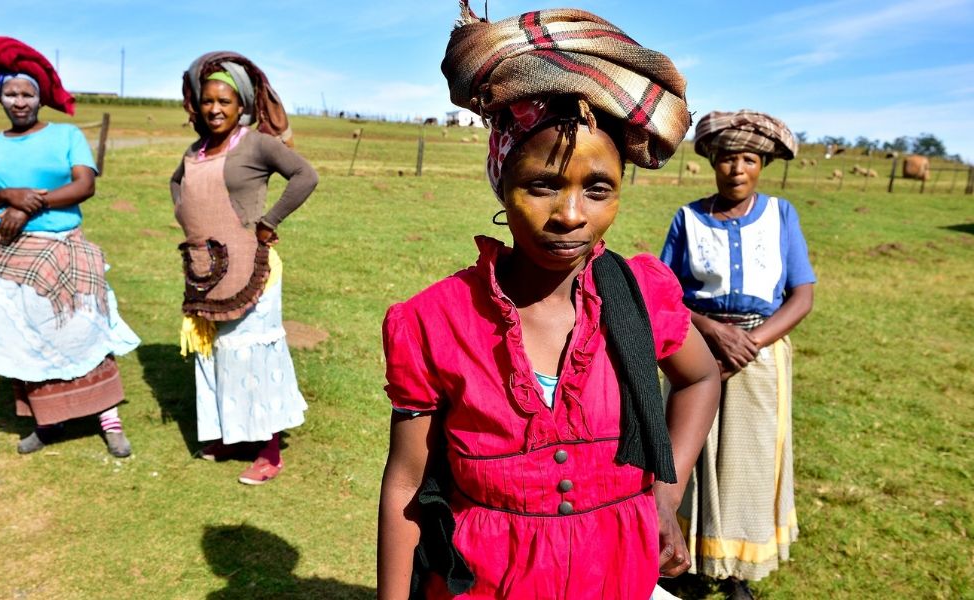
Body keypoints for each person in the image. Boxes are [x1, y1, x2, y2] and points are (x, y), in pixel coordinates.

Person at [377, 6, 722, 599]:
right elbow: (406, 483)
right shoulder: (433, 321)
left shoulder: (641, 294)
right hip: (484, 580)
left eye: (597, 189)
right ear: (501, 181)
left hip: (616, 572)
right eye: (541, 185)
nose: (570, 215)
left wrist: (667, 492)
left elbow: (700, 377)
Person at [658, 110, 816, 599]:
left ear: (763, 164)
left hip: (760, 354)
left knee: (749, 459)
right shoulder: (689, 218)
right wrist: (711, 332)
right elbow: (667, 292)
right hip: (695, 349)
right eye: (727, 158)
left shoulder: (781, 215)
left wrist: (750, 343)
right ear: (712, 162)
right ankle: (687, 561)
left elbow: (802, 294)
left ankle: (736, 573)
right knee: (691, 453)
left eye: (748, 158)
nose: (737, 169)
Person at [0, 37, 140, 457]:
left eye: (27, 93)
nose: (19, 102)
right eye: (11, 93)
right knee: (23, 337)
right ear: (0, 96)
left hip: (62, 244)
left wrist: (30, 204)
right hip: (8, 253)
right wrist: (8, 196)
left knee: (83, 329)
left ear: (40, 97)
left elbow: (85, 185)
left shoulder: (66, 135)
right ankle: (50, 421)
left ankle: (108, 418)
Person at [170, 52, 317, 486]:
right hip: (205, 268)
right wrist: (188, 217)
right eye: (208, 101)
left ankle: (269, 450)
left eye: (225, 102)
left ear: (242, 107)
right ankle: (231, 435)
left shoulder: (254, 143)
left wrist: (269, 222)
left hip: (252, 270)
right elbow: (177, 182)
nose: (215, 109)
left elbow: (305, 175)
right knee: (215, 355)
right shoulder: (195, 150)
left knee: (252, 356)